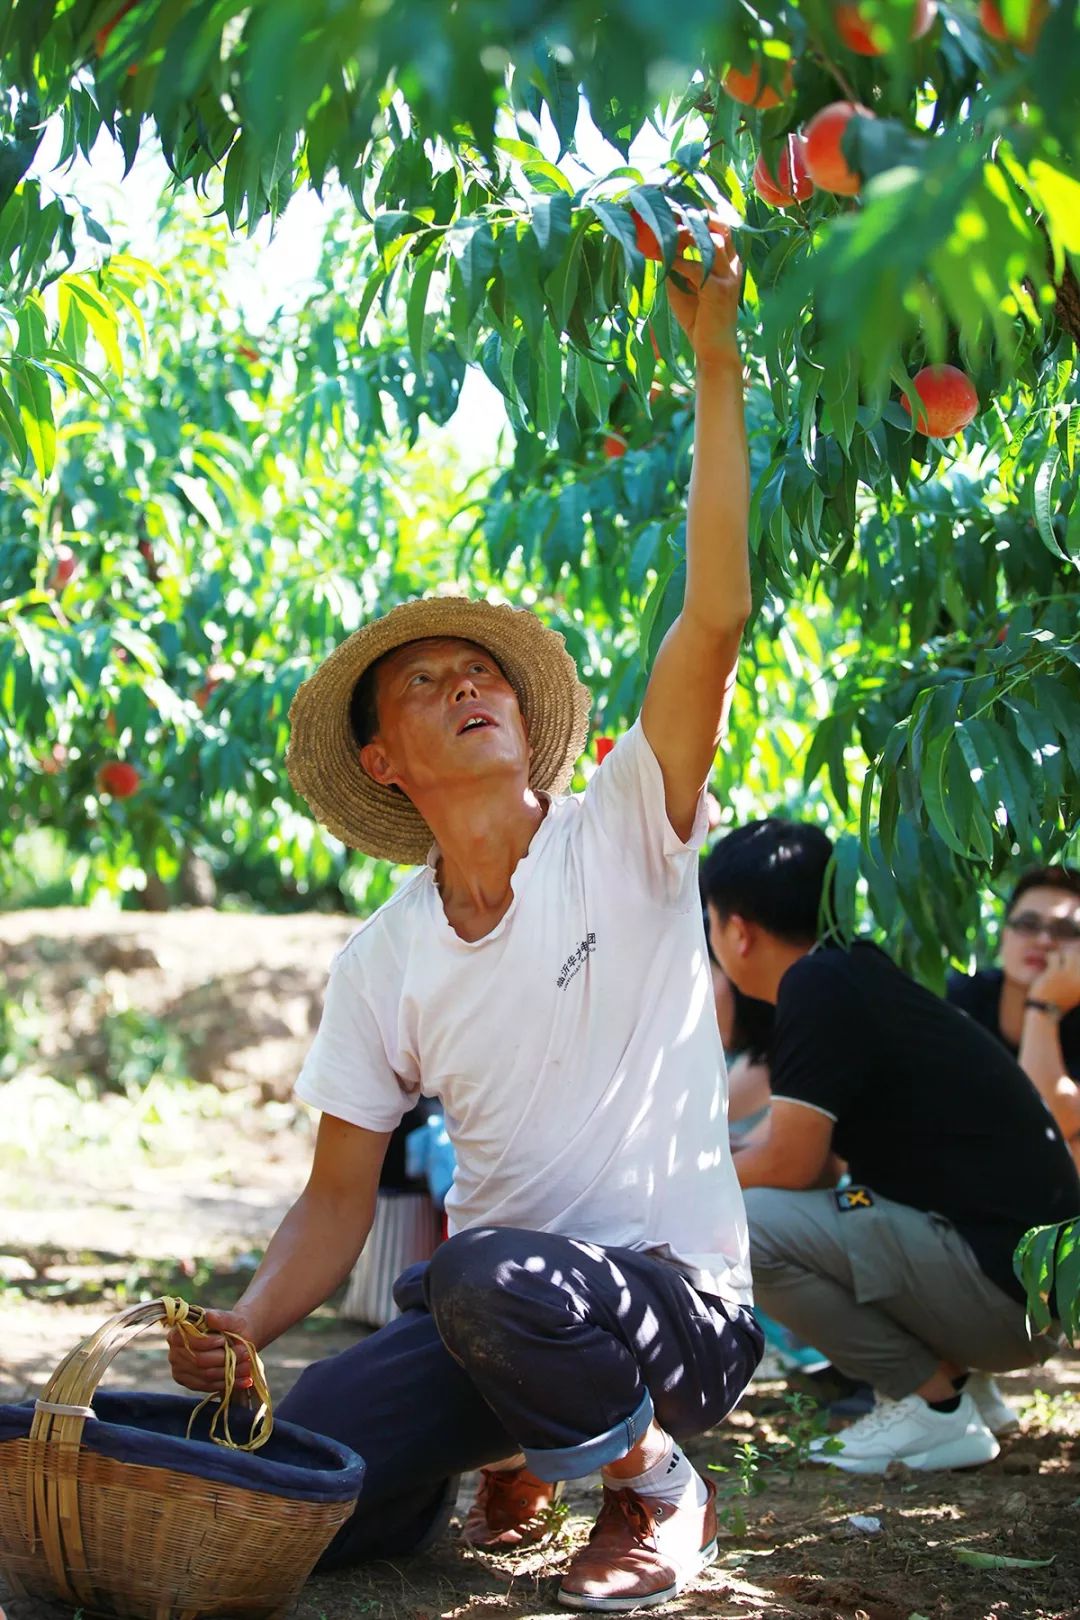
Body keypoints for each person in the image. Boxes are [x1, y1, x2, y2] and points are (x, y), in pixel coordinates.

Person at [167, 226, 764, 1612]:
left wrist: (717, 363)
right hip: (490, 1322)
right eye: (427, 685)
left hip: (673, 1311)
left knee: (484, 1276)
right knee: (283, 1487)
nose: (467, 687)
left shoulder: (626, 827)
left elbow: (716, 618)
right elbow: (336, 1200)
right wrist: (246, 1323)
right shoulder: (385, 959)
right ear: (385, 761)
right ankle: (511, 1447)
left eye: (479, 671)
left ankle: (653, 1483)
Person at [702, 819, 1080, 1475]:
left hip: (999, 1293)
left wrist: (680, 1180)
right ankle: (964, 1389)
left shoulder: (816, 984)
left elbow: (788, 1164)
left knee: (742, 1226)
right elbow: (815, 1168)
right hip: (1029, 1290)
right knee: (808, 1201)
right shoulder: (849, 974)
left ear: (738, 930)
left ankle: (932, 1403)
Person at [948, 865, 1080, 1169]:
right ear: (1004, 935)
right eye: (1028, 924)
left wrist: (1043, 1005)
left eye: (1065, 931)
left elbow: (1049, 1127)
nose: (1044, 940)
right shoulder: (962, 999)